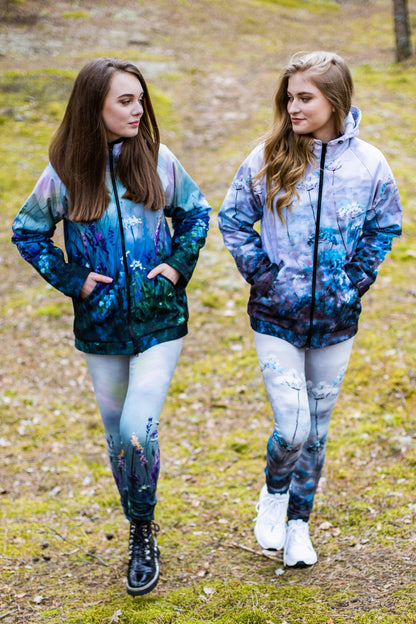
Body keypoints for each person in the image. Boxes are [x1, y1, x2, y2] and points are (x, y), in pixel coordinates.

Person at [12, 57, 210, 595]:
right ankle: (138, 522)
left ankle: (143, 529)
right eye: (125, 100)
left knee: (137, 429)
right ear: (92, 106)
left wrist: (176, 266)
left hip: (159, 320)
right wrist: (72, 279)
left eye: (140, 99)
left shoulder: (159, 160)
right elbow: (27, 232)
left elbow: (196, 213)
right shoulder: (65, 172)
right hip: (100, 329)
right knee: (117, 436)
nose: (138, 109)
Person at [218, 51, 401, 568]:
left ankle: (299, 524)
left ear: (335, 100)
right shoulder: (267, 157)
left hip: (337, 321)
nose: (293, 107)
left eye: (305, 97)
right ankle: (274, 493)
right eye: (290, 98)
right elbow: (233, 219)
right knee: (294, 427)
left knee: (317, 433)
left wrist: (354, 282)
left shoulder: (369, 164)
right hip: (277, 317)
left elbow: (385, 226)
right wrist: (265, 276)